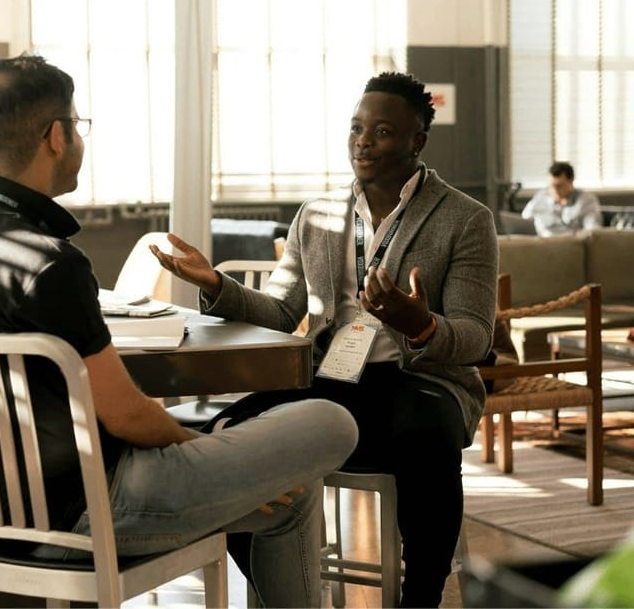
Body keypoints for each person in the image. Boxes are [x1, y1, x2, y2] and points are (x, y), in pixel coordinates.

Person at [0, 53, 359, 607]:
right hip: (99, 508)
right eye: (77, 125)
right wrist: (202, 446)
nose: (79, 139)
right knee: (331, 420)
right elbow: (124, 413)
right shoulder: (53, 262)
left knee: (291, 497)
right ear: (56, 135)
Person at [151, 71, 499, 607]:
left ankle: (422, 594)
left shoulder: (465, 219)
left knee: (424, 431)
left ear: (417, 142)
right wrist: (216, 285)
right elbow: (283, 310)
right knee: (234, 431)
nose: (363, 141)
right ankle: (279, 590)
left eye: (382, 130)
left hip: (421, 382)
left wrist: (419, 325)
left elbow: (476, 337)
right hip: (332, 378)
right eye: (357, 128)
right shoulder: (315, 216)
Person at [521, 161, 602, 236]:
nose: (554, 190)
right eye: (551, 186)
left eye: (559, 186)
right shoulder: (541, 196)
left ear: (571, 180)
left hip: (570, 244)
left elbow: (592, 230)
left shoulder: (586, 200)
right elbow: (525, 219)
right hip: (541, 243)